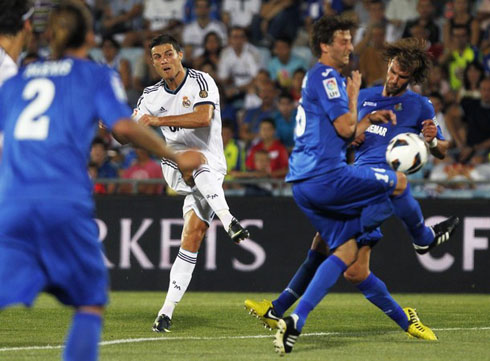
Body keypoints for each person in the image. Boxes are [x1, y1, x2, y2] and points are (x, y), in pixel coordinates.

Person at [0, 2, 201, 361]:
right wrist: (176, 155)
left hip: (11, 203)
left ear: (48, 35)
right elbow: (123, 128)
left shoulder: (17, 80)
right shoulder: (95, 74)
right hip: (62, 201)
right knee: (90, 302)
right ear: (91, 37)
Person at [245, 37, 461, 352]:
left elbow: (442, 149)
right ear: (389, 65)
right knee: (335, 256)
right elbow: (344, 135)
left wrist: (430, 141)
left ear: (411, 79)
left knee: (347, 262)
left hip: (379, 187)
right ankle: (279, 310)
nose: (394, 79)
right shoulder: (367, 97)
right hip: (351, 180)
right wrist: (353, 137)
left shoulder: (420, 105)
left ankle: (287, 313)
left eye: (402, 77)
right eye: (393, 71)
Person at [132, 34, 250, 333]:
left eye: (168, 54)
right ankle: (230, 220)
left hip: (212, 169)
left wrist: (157, 121)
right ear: (153, 63)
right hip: (175, 162)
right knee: (193, 158)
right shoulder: (150, 95)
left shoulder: (202, 81)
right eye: (157, 57)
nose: (163, 61)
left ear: (180, 55)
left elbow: (203, 117)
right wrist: (114, 127)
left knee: (193, 234)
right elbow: (133, 129)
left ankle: (165, 312)